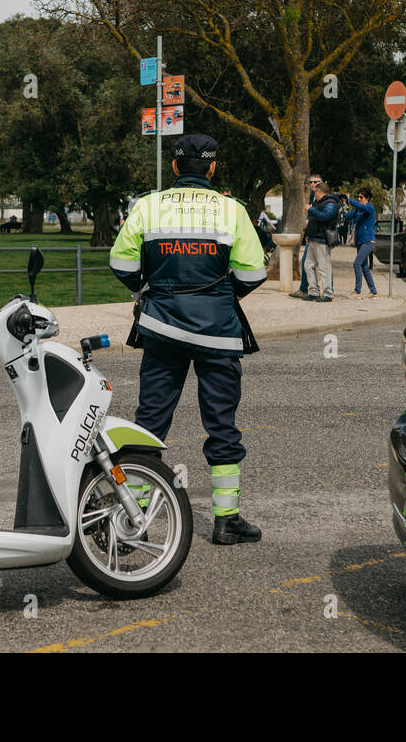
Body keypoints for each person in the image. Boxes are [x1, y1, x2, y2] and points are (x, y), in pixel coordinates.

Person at [110, 134, 267, 545]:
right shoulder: (233, 211)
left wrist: (152, 286)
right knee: (221, 425)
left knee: (150, 422)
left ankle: (134, 516)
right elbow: (252, 273)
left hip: (161, 327)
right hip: (218, 332)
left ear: (176, 167)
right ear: (212, 168)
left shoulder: (147, 206)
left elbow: (120, 263)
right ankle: (226, 520)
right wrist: (218, 296)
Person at [303, 179, 340, 302]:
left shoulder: (330, 203)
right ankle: (313, 291)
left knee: (324, 268)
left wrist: (311, 209)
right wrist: (308, 234)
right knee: (308, 265)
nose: (314, 195)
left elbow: (326, 217)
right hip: (314, 238)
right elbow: (314, 220)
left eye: (315, 192)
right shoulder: (319, 203)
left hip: (322, 239)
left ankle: (328, 294)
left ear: (319, 192)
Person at [289, 174, 324, 299]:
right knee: (306, 262)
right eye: (311, 182)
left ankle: (327, 292)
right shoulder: (313, 197)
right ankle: (306, 289)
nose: (313, 184)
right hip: (312, 235)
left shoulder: (324, 198)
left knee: (324, 265)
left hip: (321, 236)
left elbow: (324, 215)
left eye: (316, 182)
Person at [344, 189, 378, 298]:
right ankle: (373, 291)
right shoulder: (358, 209)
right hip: (360, 241)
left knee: (356, 263)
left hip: (368, 241)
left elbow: (363, 208)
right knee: (364, 267)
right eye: (358, 197)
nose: (359, 199)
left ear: (367, 198)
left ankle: (357, 290)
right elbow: (347, 216)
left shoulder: (370, 208)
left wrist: (350, 201)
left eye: (361, 197)